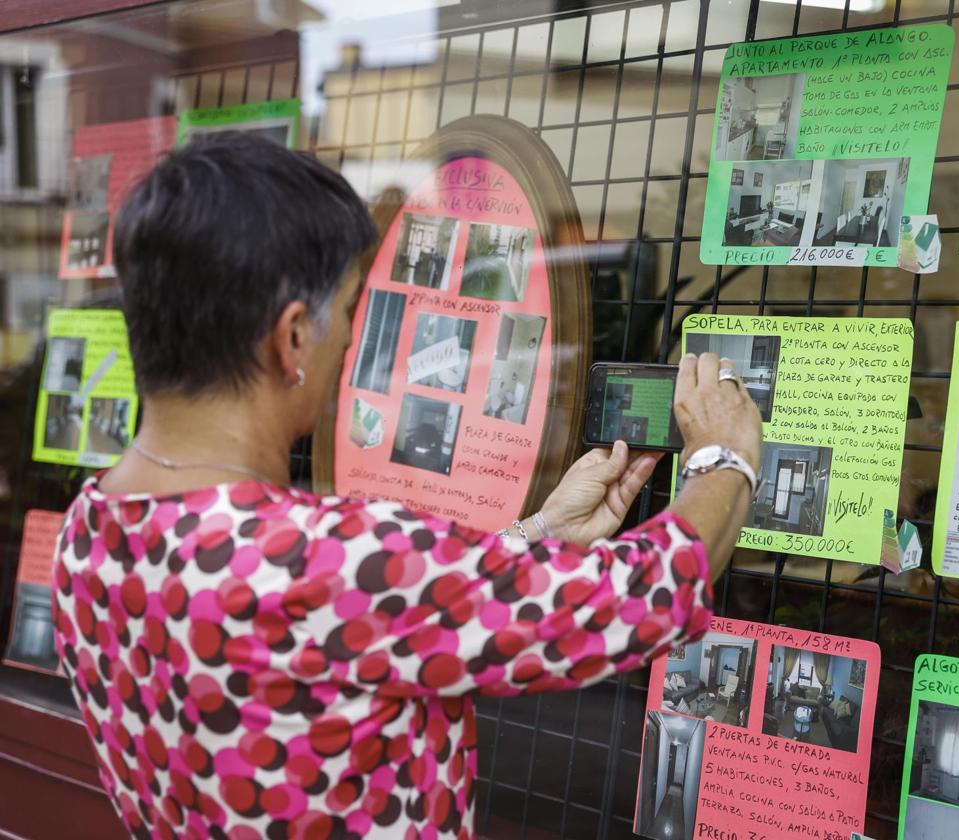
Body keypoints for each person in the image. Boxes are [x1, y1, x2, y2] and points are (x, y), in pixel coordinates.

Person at [51, 133, 762, 840]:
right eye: (354, 308)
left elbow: (373, 628)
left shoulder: (87, 531)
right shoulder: (319, 557)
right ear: (293, 337)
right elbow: (648, 597)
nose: (357, 340)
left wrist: (537, 534)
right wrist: (722, 458)